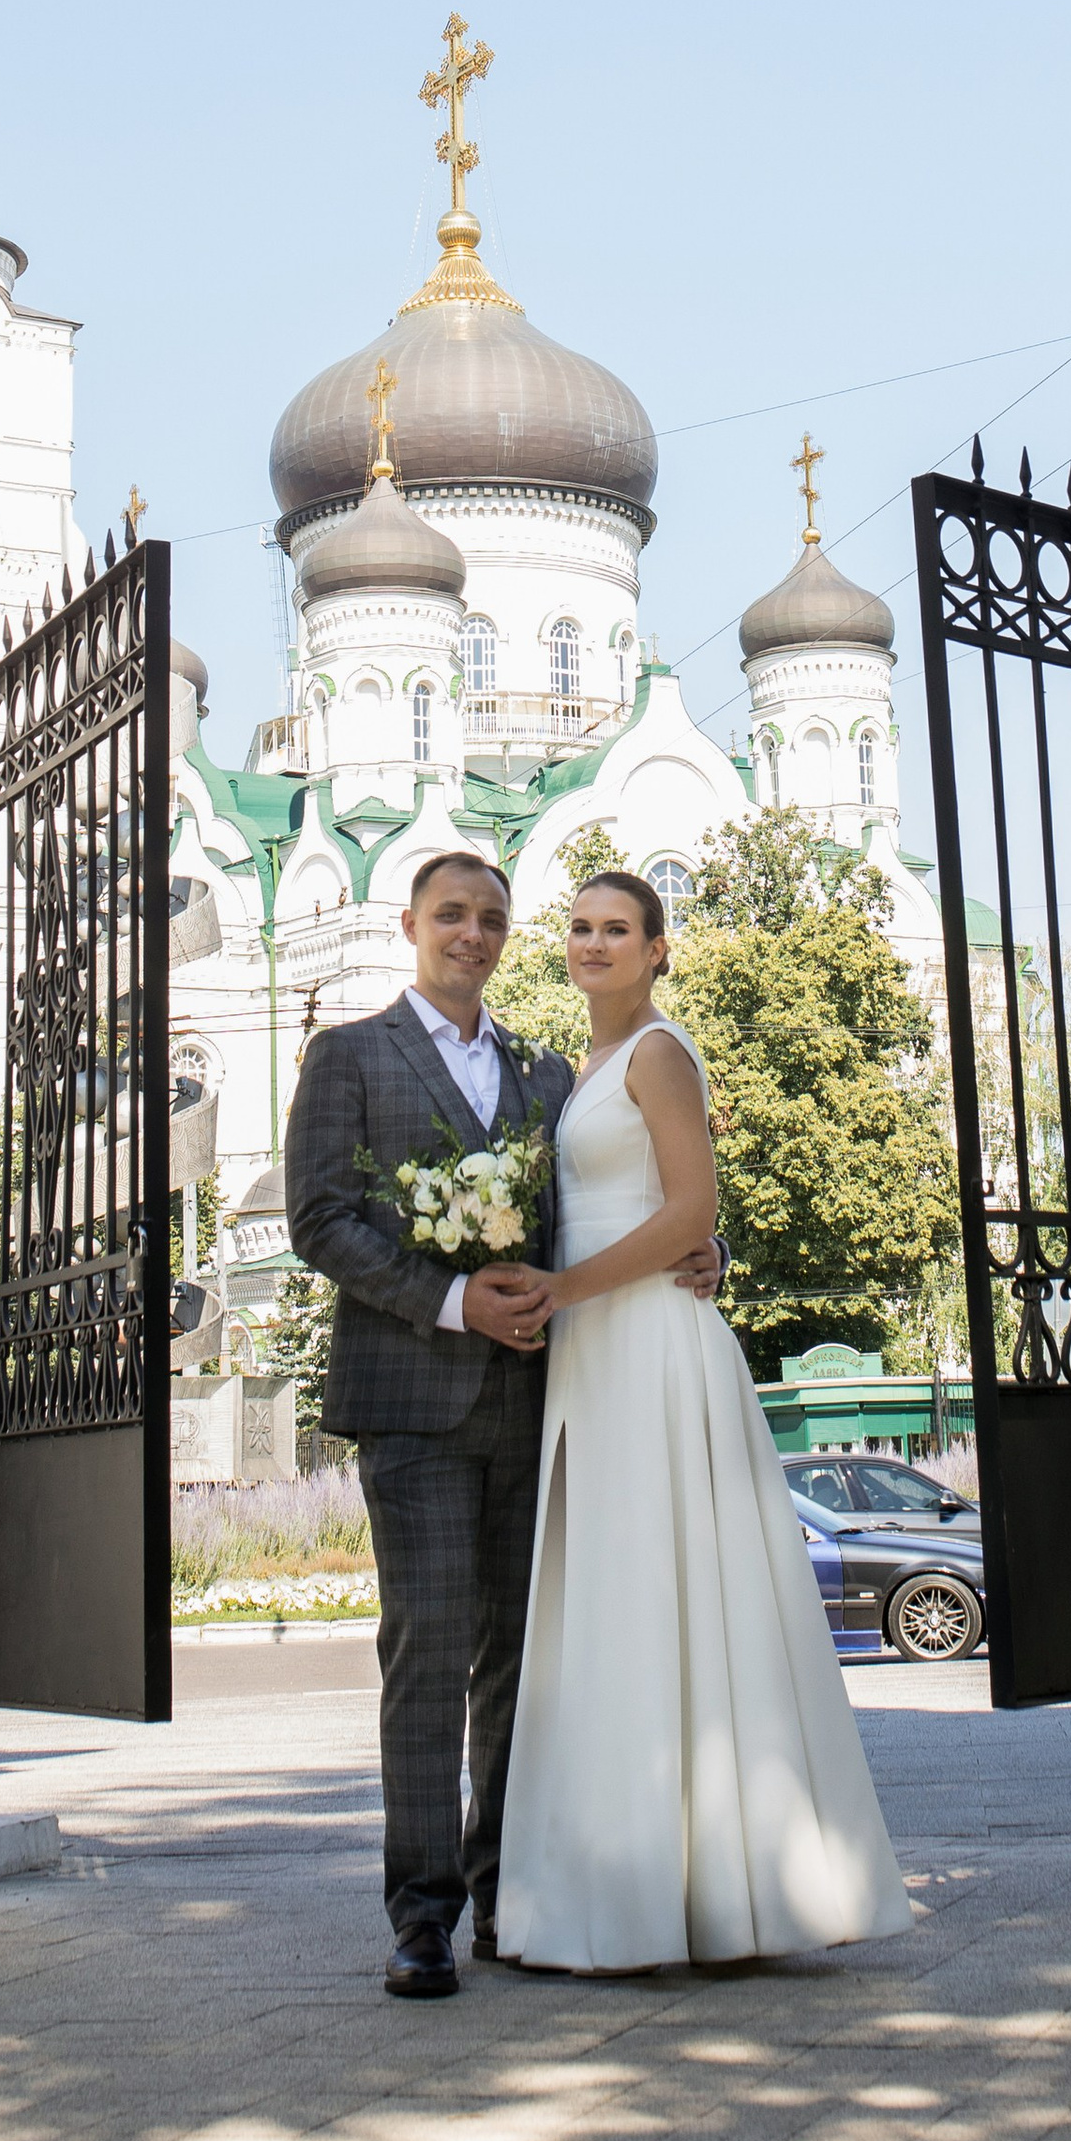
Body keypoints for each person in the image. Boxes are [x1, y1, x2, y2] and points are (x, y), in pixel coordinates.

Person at [281, 846, 723, 1999]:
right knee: (427, 1650)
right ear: (411, 924)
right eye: (450, 916)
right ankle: (421, 1915)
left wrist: (704, 1245)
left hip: (539, 1398)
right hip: (412, 1404)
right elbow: (321, 1220)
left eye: (489, 918)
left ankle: (505, 1895)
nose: (471, 934)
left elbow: (607, 1204)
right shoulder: (349, 1056)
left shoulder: (541, 1072)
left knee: (520, 1662)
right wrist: (449, 1297)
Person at [494, 869, 913, 1972]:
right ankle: (638, 1882)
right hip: (592, 1354)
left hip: (650, 1350)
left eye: (617, 930)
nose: (592, 944)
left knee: (671, 1592)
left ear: (658, 950)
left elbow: (691, 1210)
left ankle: (718, 1892)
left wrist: (565, 1292)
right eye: (579, 927)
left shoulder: (659, 1055)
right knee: (615, 1608)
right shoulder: (572, 1068)